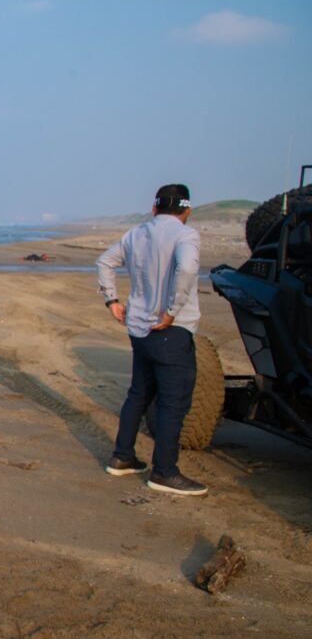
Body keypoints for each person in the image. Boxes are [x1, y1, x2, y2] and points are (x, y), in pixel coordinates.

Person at [96, 183, 207, 496]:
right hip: (170, 329)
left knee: (139, 393)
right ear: (186, 210)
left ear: (155, 207)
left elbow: (104, 261)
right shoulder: (186, 234)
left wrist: (111, 300)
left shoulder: (136, 233)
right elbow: (185, 266)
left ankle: (122, 456)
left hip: (140, 328)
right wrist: (172, 309)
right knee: (173, 403)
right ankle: (164, 472)